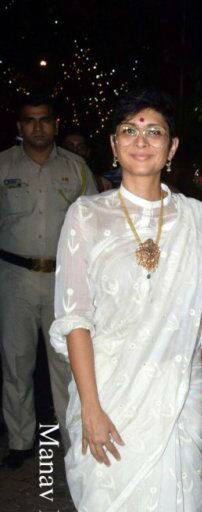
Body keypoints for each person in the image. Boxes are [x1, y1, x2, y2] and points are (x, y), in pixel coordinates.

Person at [49, 88, 202, 512]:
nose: (141, 139)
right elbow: (74, 318)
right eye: (129, 129)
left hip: (177, 400)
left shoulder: (197, 220)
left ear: (172, 148)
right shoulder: (87, 216)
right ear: (114, 145)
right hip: (112, 396)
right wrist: (90, 408)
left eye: (154, 129)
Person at [0, 94, 97, 468]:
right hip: (14, 277)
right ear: (20, 126)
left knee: (67, 362)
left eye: (44, 119)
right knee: (16, 362)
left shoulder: (76, 168)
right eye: (29, 120)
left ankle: (74, 440)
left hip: (63, 280)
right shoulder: (3, 165)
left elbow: (94, 225)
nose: (37, 127)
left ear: (55, 124)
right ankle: (22, 441)